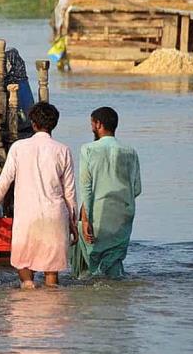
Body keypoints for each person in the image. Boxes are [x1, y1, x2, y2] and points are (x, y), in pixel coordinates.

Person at [0, 102, 78, 288]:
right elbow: (69, 193)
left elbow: (3, 183)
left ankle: (27, 297)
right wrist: (73, 223)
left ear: (33, 123)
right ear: (54, 124)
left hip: (27, 217)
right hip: (54, 216)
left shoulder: (19, 148)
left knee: (24, 266)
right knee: (51, 275)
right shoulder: (63, 150)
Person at [70, 107, 141, 279]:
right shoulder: (130, 151)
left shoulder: (88, 149)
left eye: (92, 124)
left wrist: (85, 219)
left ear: (98, 124)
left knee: (90, 263)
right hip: (124, 213)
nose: (91, 128)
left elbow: (86, 187)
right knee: (114, 261)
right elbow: (137, 189)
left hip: (98, 212)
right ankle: (117, 300)